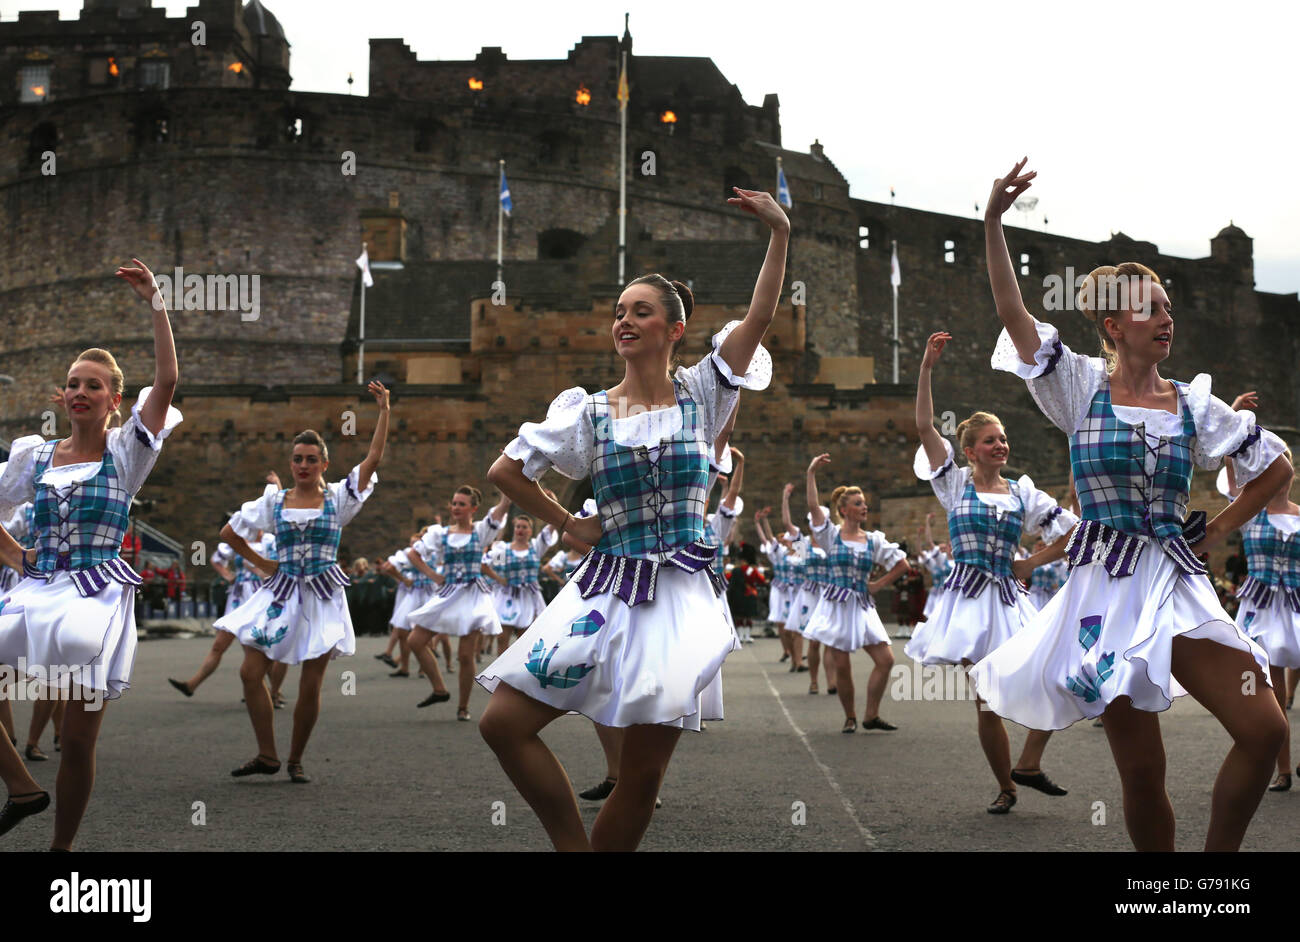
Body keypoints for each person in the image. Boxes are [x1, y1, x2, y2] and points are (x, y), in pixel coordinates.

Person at [970, 158, 1291, 850]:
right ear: (1113, 325)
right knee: (1144, 773)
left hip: (1178, 581)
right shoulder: (1076, 385)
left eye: (1170, 307)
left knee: (1265, 729)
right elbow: (1011, 312)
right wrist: (994, 221)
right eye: (1152, 308)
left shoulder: (1193, 405)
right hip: (1105, 592)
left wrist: (1222, 529)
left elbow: (1275, 464)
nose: (1167, 319)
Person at [477, 186, 788, 851]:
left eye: (640, 311)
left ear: (673, 329)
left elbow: (760, 317)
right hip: (604, 586)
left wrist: (780, 234)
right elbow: (504, 471)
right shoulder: (586, 411)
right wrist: (570, 521)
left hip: (676, 595)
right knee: (503, 722)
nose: (624, 321)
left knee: (642, 773)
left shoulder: (704, 390)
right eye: (619, 311)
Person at [0, 258, 180, 848]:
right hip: (36, 585)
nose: (80, 392)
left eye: (93, 386)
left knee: (77, 740)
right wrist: (15, 555)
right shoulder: (37, 456)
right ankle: (22, 787)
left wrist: (155, 299)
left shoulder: (128, 454)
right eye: (73, 383)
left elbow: (169, 379)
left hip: (94, 594)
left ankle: (61, 850)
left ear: (115, 401)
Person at [910, 330, 1079, 811]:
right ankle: (1007, 786)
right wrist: (926, 368)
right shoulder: (952, 483)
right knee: (987, 698)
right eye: (990, 441)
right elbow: (924, 426)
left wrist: (1029, 561)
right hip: (966, 601)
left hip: (1009, 598)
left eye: (1003, 438)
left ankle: (1028, 763)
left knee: (1056, 674)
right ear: (970, 450)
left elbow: (1068, 534)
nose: (1000, 445)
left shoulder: (1023, 493)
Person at [215, 383, 389, 784]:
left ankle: (294, 758)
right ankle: (267, 753)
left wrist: (383, 410)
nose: (303, 465)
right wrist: (264, 563)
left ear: (324, 464)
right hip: (281, 591)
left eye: (311, 459)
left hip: (323, 595)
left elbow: (374, 457)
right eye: (297, 460)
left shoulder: (341, 498)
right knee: (249, 672)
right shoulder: (274, 502)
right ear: (291, 464)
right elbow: (228, 532)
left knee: (312, 682)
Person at [804, 456, 910, 733]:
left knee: (886, 660)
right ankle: (850, 716)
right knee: (843, 666)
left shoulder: (873, 540)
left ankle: (871, 714)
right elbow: (814, 507)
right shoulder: (831, 536)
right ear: (844, 509)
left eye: (864, 503)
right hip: (837, 605)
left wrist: (878, 584)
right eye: (858, 503)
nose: (864, 507)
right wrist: (812, 472)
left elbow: (902, 565)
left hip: (862, 605)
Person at [1220, 446, 1300, 791]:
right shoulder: (1251, 512)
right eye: (1272, 465)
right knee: (1274, 692)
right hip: (1262, 609)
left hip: (1296, 606)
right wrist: (1231, 438)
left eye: (1285, 464)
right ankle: (1282, 769)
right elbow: (1231, 484)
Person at [404, 486, 510, 717]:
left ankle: (463, 707)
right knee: (415, 640)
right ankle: (440, 689)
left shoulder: (481, 531)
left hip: (472, 595)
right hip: (448, 592)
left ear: (473, 508)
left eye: (461, 504)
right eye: (454, 503)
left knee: (465, 655)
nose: (456, 508)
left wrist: (506, 486)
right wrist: (432, 574)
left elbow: (502, 508)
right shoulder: (440, 533)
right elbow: (413, 554)